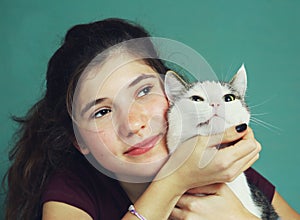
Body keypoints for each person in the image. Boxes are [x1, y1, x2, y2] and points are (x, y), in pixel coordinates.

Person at [3, 18, 299, 220]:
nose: (134, 124)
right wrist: (174, 181)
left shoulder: (219, 162)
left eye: (143, 91)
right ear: (80, 141)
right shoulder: (72, 189)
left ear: (175, 96)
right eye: (102, 112)